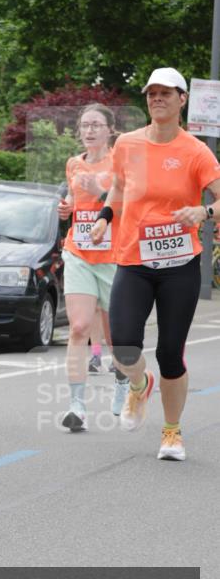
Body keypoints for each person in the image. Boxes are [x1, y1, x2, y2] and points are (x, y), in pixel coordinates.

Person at [90, 67, 220, 460]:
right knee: (123, 347)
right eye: (152, 93)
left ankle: (172, 432)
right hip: (134, 260)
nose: (157, 99)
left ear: (182, 100)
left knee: (170, 352)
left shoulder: (195, 151)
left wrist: (203, 212)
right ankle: (138, 384)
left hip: (179, 265)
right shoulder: (127, 144)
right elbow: (118, 187)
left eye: (166, 93)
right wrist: (104, 217)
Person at [58, 103, 129, 431]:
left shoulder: (120, 162)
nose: (89, 130)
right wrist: (67, 208)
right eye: (85, 125)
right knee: (79, 327)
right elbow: (75, 203)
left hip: (113, 257)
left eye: (96, 125)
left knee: (117, 337)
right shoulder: (74, 163)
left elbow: (127, 208)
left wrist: (99, 192)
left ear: (110, 129)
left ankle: (123, 384)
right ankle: (77, 406)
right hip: (79, 253)